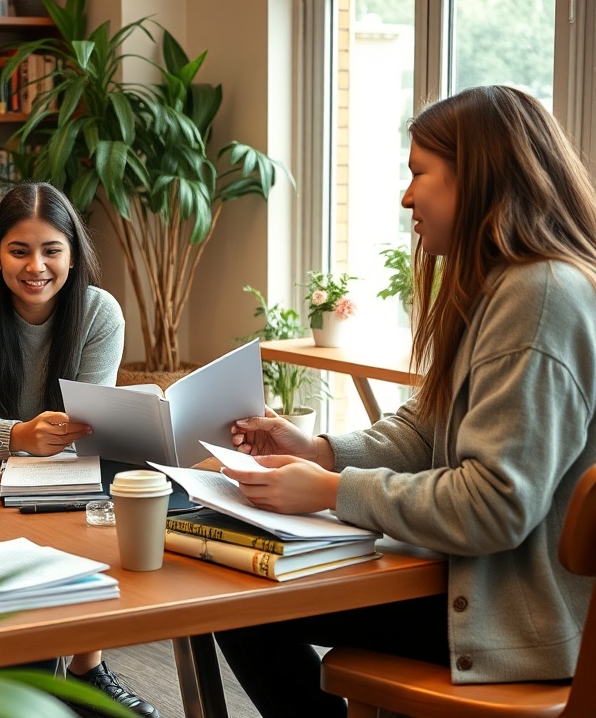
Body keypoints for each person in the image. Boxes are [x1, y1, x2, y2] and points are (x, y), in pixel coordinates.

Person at [215, 85, 596, 717]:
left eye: (420, 173)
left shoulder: (540, 297)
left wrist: (334, 491)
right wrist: (319, 451)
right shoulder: (500, 283)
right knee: (244, 587)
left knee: (242, 598)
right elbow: (426, 429)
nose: (406, 196)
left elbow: (494, 506)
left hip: (524, 623)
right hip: (487, 587)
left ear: (476, 178)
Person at [0, 181, 160, 718]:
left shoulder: (99, 313)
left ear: (73, 256)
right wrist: (17, 436)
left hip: (66, 479)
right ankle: (41, 678)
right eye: (19, 250)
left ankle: (84, 669)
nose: (36, 267)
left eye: (51, 250)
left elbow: (92, 423)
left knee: (102, 526)